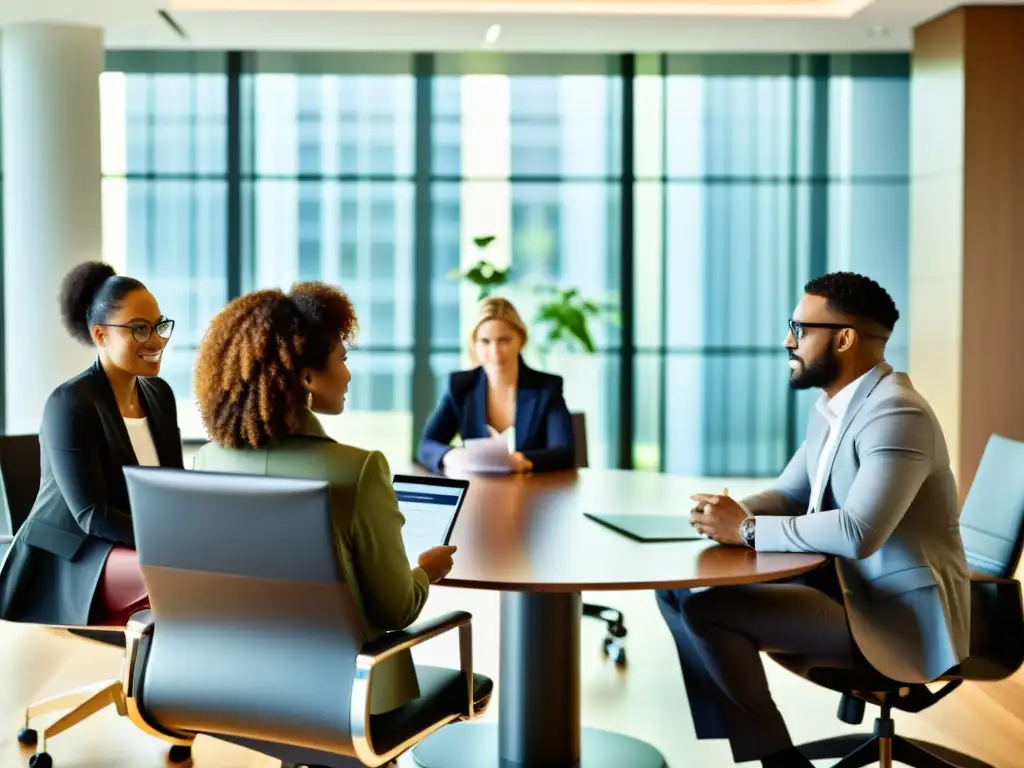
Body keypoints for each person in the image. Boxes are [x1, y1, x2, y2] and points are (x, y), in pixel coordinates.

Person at [656, 272, 970, 768]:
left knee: (708, 611)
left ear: (844, 338)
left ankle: (778, 762)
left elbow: (859, 531)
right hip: (842, 588)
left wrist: (746, 530)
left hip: (890, 613)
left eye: (799, 328)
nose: (788, 340)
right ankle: (747, 737)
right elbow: (790, 492)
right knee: (675, 587)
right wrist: (724, 513)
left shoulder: (896, 414)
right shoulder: (834, 407)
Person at [191, 282, 457, 717]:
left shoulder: (209, 461)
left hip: (242, 688)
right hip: (352, 698)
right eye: (342, 359)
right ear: (307, 376)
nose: (349, 374)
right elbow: (397, 608)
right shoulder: (359, 471)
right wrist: (428, 571)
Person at [0, 261, 181, 626]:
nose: (156, 340)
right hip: (68, 556)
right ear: (100, 336)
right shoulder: (70, 402)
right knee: (173, 581)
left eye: (159, 326)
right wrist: (168, 543)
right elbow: (91, 514)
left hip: (126, 546)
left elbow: (174, 487)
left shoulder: (159, 394)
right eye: (139, 329)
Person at [418, 297, 574, 474]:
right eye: (485, 341)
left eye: (504, 340)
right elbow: (426, 445)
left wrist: (521, 461)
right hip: (477, 493)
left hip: (533, 494)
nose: (495, 351)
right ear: (474, 345)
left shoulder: (546, 388)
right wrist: (451, 455)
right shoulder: (460, 386)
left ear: (521, 340)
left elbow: (564, 452)